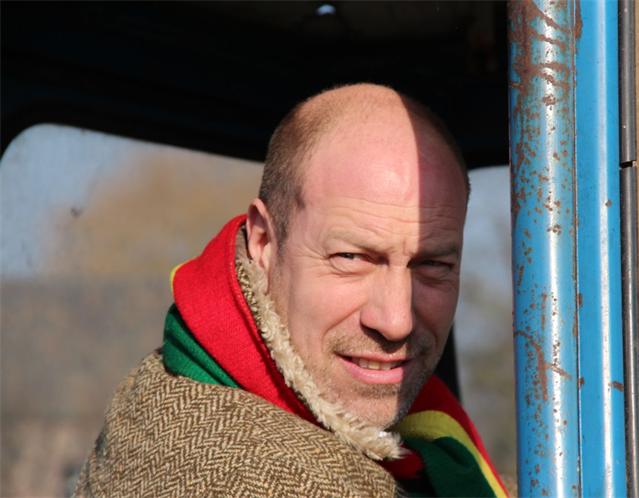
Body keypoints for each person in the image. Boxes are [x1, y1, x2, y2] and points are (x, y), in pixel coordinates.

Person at [75, 83, 509, 497]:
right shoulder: (256, 478)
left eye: (433, 265)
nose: (396, 321)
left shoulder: (182, 381)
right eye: (351, 258)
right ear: (263, 242)